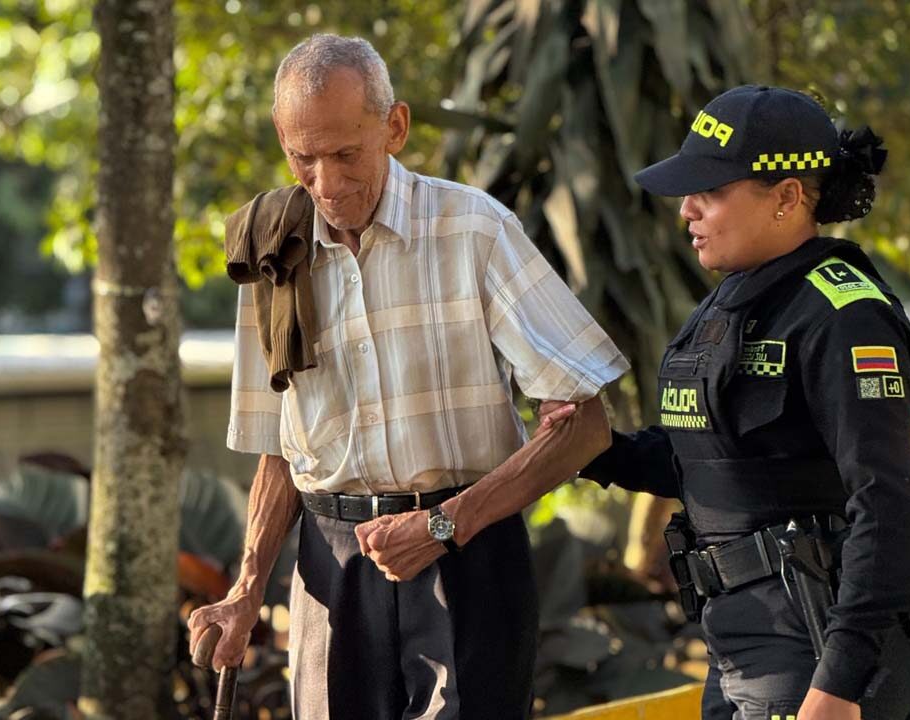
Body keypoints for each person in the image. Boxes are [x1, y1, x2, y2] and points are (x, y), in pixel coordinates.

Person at [185, 34, 630, 719]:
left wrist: (447, 524)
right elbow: (280, 444)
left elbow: (586, 423)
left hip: (468, 554)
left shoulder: (474, 229)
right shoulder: (272, 250)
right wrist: (245, 590)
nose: (326, 184)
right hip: (330, 567)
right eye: (304, 159)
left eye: (345, 155)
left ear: (394, 127)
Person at [541, 85, 910, 720]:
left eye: (712, 191)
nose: (687, 210)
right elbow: (707, 463)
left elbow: (892, 509)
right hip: (738, 649)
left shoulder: (845, 315)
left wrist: (839, 682)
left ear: (787, 197)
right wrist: (595, 450)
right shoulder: (734, 301)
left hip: (813, 653)